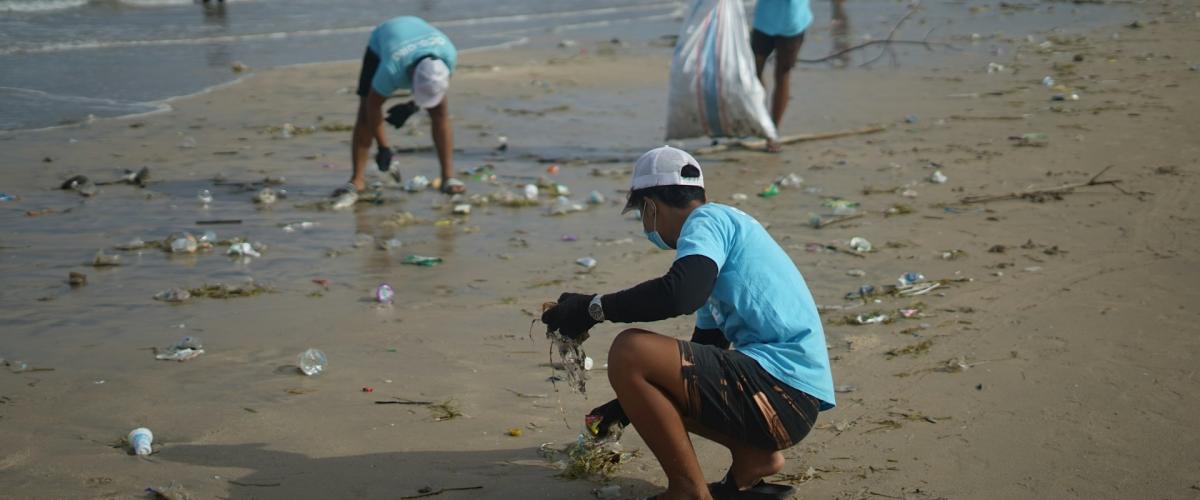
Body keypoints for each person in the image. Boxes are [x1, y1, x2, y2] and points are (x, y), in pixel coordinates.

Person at [541, 146, 835, 500]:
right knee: (652, 365)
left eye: (641, 213)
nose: (645, 225)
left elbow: (680, 294)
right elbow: (705, 352)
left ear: (650, 207)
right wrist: (625, 408)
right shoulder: (720, 245)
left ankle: (687, 490)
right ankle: (753, 457)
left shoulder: (706, 222)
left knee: (630, 350)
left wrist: (592, 308)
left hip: (781, 391)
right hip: (787, 403)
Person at [340, 16, 462, 197]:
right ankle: (357, 179)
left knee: (440, 111)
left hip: (417, 30)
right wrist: (384, 148)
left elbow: (436, 86)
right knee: (364, 114)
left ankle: (448, 177)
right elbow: (372, 107)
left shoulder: (448, 55)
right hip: (384, 38)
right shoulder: (391, 69)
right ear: (411, 77)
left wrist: (413, 106)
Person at [750, 0, 813, 152]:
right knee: (754, 71)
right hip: (764, 21)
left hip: (791, 23)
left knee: (782, 74)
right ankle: (763, 121)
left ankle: (772, 131)